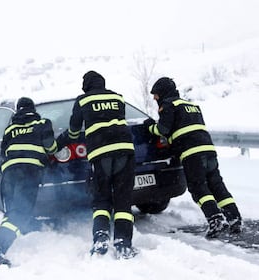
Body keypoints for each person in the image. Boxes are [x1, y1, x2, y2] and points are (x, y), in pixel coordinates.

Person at [144, 77, 242, 238]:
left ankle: (215, 219)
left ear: (162, 92)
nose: (155, 98)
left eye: (155, 94)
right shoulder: (191, 106)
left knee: (198, 187)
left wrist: (149, 126)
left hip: (192, 153)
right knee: (216, 185)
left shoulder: (168, 105)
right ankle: (234, 218)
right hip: (209, 150)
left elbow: (163, 129)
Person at [62, 71, 137, 259]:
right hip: (125, 151)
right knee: (123, 198)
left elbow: (73, 130)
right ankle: (123, 243)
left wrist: (68, 138)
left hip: (100, 154)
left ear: (86, 85)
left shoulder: (82, 100)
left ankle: (101, 238)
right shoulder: (117, 97)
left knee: (102, 199)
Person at [0, 97, 58, 266]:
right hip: (28, 171)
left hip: (9, 174)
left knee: (14, 210)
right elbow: (51, 147)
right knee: (21, 211)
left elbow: (4, 152)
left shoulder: (10, 129)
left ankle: (1, 242)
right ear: (33, 109)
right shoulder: (42, 123)